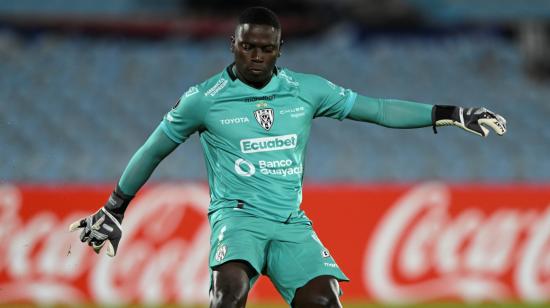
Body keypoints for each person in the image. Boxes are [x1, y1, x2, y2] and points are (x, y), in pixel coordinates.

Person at [69, 6, 507, 308]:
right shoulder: (203, 100)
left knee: (324, 299)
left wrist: (449, 113)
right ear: (233, 45)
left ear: (279, 49)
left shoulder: (306, 89)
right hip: (237, 218)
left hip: (290, 223)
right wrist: (114, 208)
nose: (256, 56)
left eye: (266, 48)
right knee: (228, 294)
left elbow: (375, 109)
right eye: (248, 47)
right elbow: (153, 150)